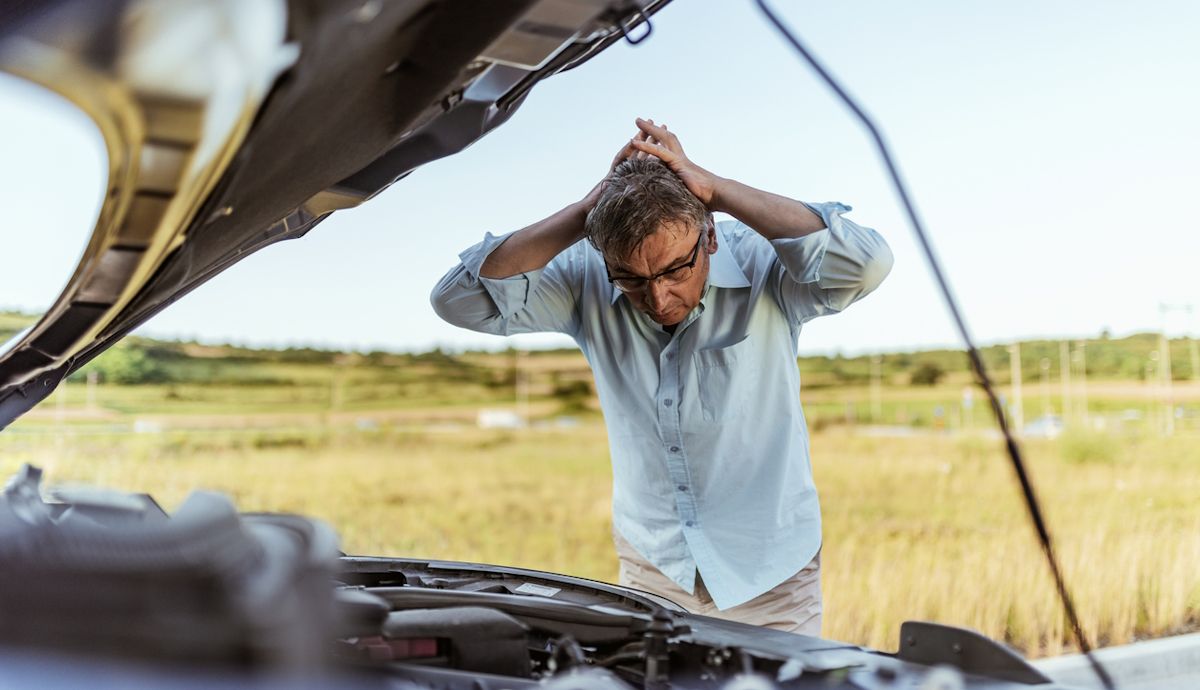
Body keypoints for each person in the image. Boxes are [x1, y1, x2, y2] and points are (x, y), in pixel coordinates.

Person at [430, 118, 892, 635]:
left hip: (771, 577)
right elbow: (456, 300)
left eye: (676, 270)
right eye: (630, 279)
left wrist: (717, 190)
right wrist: (585, 212)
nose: (657, 298)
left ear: (710, 236)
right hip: (653, 572)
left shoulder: (761, 262)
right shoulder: (584, 274)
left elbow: (865, 264)